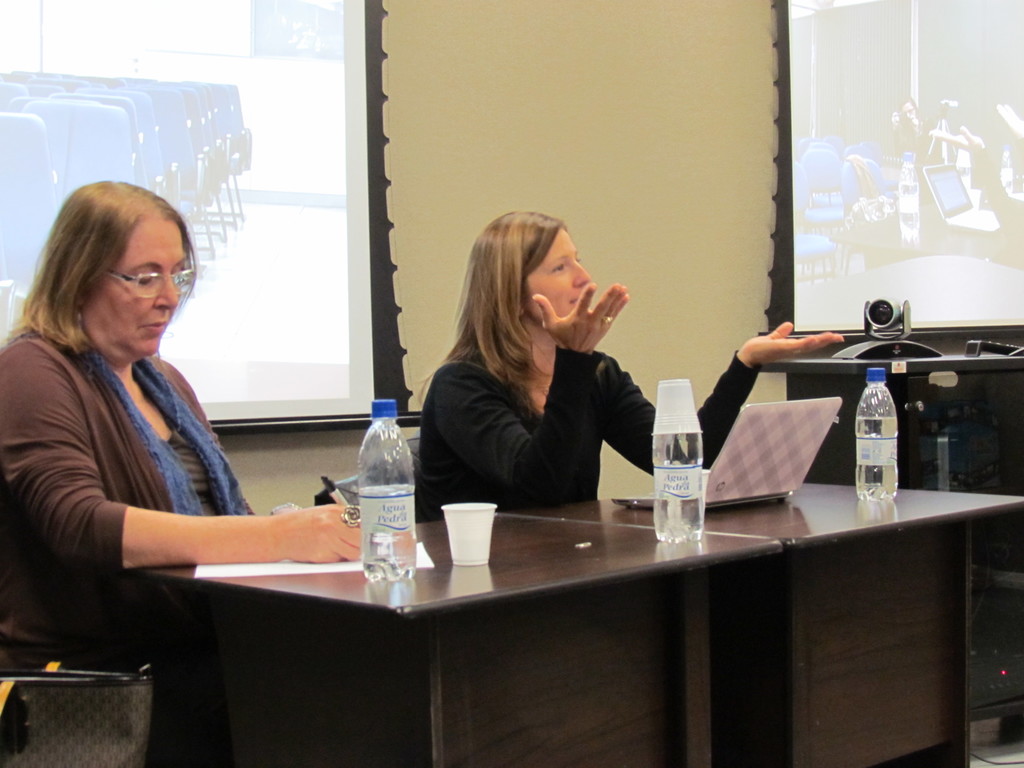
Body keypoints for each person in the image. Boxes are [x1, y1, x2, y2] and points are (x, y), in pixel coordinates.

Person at [0, 182, 361, 767]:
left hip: (195, 655)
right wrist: (276, 537)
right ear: (79, 276)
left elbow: (227, 518)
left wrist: (312, 536)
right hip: (97, 686)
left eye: (178, 275)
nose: (169, 298)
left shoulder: (163, 380)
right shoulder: (32, 369)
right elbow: (80, 526)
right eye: (145, 278)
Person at [416, 211, 844, 521]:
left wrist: (745, 365)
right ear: (511, 292)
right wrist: (574, 360)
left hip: (563, 566)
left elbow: (681, 460)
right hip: (474, 585)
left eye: (578, 260)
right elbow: (539, 489)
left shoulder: (597, 374)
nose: (585, 278)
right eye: (560, 267)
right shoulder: (462, 384)